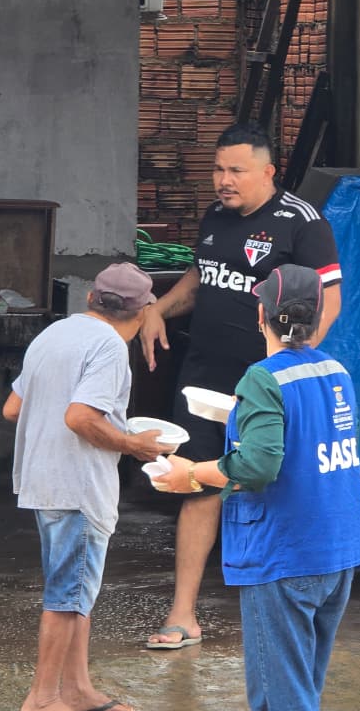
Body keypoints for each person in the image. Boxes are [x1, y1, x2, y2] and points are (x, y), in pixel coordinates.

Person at [155, 265, 360, 711]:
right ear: (315, 316)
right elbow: (309, 436)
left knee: (281, 692)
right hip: (339, 549)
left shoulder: (261, 378)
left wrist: (194, 475)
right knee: (298, 686)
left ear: (262, 316)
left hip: (285, 553)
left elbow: (258, 465)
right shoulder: (336, 370)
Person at [139, 122, 343, 649]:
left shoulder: (302, 222)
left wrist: (286, 368)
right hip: (204, 374)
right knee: (197, 482)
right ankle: (182, 614)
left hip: (266, 382)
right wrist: (158, 309)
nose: (223, 181)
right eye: (217, 169)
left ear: (268, 172)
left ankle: (288, 609)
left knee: (272, 478)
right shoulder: (215, 218)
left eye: (236, 170)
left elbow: (329, 303)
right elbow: (200, 277)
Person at [2, 262, 167, 711]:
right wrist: (135, 444)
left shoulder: (54, 334)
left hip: (43, 479)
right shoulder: (110, 347)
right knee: (66, 596)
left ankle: (76, 688)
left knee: (77, 591)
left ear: (92, 299)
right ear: (140, 311)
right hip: (77, 485)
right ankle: (41, 698)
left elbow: (14, 407)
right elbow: (79, 418)